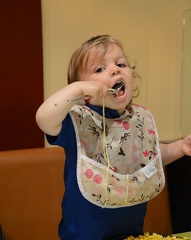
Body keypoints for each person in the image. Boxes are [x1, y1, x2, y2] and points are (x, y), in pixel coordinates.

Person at [36, 35, 191, 240]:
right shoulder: (77, 122)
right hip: (83, 236)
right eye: (99, 69)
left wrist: (180, 147)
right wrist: (78, 90)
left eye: (121, 64)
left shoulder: (137, 119)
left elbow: (150, 156)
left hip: (131, 235)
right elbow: (43, 118)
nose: (115, 69)